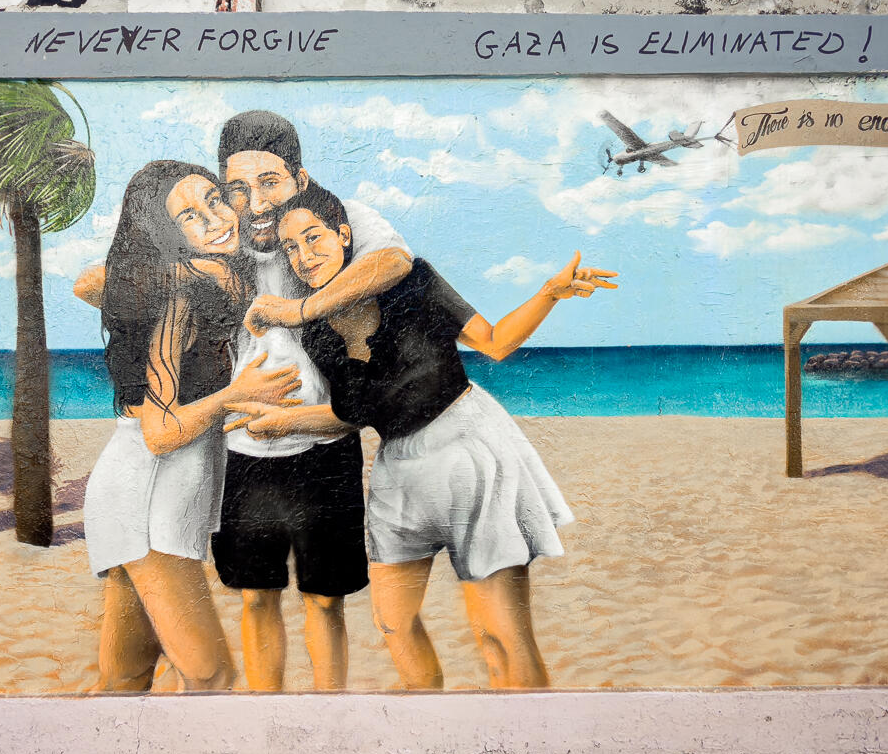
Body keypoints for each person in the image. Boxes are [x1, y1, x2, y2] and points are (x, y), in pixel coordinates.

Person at [76, 111, 412, 692]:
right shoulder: (197, 275)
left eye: (266, 183)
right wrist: (176, 285)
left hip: (239, 465)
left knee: (128, 673)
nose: (248, 203)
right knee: (221, 657)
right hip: (178, 475)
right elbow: (93, 282)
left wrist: (299, 310)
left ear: (300, 179)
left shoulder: (320, 222)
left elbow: (394, 260)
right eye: (234, 188)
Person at [236, 184, 615, 690]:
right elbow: (354, 414)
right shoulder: (318, 332)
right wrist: (281, 422)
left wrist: (549, 292)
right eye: (291, 247)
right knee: (393, 621)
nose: (304, 255)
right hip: (398, 465)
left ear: (343, 235)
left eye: (313, 237)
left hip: (468, 443)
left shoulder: (413, 280)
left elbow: (494, 342)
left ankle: (528, 729)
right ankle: (428, 720)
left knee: (500, 633)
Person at [81, 160, 301, 692]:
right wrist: (236, 395)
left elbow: (100, 285)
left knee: (125, 676)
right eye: (188, 217)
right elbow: (160, 434)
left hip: (158, 493)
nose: (214, 219)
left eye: (214, 200)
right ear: (165, 234)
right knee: (211, 674)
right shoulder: (179, 296)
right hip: (148, 497)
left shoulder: (216, 278)